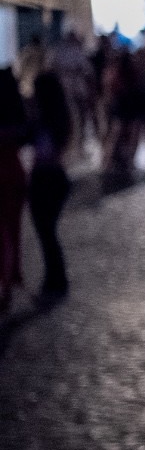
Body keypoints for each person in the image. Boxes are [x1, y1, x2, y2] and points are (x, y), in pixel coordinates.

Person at [28, 71, 72, 296]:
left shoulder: (46, 120)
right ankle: (55, 278)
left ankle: (55, 280)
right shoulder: (59, 117)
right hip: (55, 178)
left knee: (46, 232)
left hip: (46, 179)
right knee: (48, 232)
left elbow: (45, 151)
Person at [0, 68, 26, 311]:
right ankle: (7, 282)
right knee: (11, 232)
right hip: (14, 174)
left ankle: (6, 282)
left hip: (7, 174)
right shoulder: (16, 114)